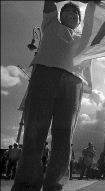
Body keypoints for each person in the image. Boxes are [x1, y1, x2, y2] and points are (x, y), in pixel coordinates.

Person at [11, 0, 98, 190]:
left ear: (79, 21)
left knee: (64, 138)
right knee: (34, 132)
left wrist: (91, 4)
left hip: (73, 82)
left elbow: (92, 21)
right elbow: (49, 2)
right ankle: (26, 185)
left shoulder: (84, 38)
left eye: (76, 15)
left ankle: (54, 185)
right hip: (44, 75)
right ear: (59, 15)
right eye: (67, 12)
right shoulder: (50, 24)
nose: (72, 15)